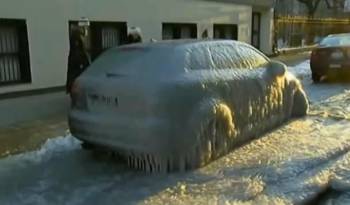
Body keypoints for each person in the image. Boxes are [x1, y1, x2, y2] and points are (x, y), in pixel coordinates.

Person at [66, 27, 90, 94]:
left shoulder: (75, 40)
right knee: (76, 78)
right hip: (78, 62)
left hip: (76, 62)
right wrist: (81, 63)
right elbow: (78, 51)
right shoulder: (76, 39)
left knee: (74, 77)